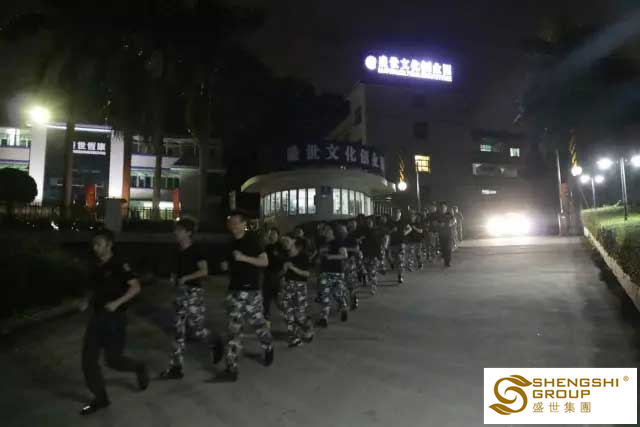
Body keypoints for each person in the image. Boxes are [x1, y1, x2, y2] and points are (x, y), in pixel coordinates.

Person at [78, 229, 149, 416]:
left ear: (109, 245)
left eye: (99, 244)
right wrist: (86, 300)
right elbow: (93, 288)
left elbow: (136, 287)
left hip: (115, 319)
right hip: (97, 317)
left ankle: (138, 367)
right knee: (88, 359)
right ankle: (100, 398)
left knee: (113, 360)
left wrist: (117, 303)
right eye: (94, 244)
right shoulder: (95, 265)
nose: (95, 248)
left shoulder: (120, 264)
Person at [159, 218, 223, 380]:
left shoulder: (197, 250)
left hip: (194, 292)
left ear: (188, 233)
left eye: (179, 230)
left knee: (196, 328)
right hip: (180, 293)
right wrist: (173, 278)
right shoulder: (176, 251)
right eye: (176, 230)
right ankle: (176, 368)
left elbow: (204, 271)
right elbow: (175, 271)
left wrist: (187, 277)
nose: (176, 233)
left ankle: (215, 341)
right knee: (178, 331)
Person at [217, 212, 274, 382]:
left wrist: (243, 258)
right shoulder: (230, 243)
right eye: (230, 223)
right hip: (234, 291)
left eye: (236, 222)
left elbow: (264, 262)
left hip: (251, 292)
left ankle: (268, 346)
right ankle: (231, 368)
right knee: (234, 330)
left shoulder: (252, 241)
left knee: (258, 324)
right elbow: (228, 263)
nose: (233, 226)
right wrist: (225, 265)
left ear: (244, 224)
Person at [281, 237, 314, 347]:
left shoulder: (302, 256)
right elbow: (281, 273)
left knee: (299, 315)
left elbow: (307, 274)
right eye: (283, 241)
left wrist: (293, 268)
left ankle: (308, 328)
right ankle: (294, 337)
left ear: (294, 242)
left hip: (300, 287)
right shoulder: (284, 256)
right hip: (288, 286)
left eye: (287, 240)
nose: (285, 243)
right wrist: (283, 271)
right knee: (288, 314)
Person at [316, 225, 349, 327]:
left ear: (332, 231)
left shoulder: (338, 242)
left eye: (327, 230)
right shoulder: (322, 244)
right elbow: (320, 258)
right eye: (324, 230)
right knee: (324, 295)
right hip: (325, 273)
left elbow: (344, 255)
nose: (325, 232)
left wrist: (332, 256)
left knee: (337, 293)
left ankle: (343, 308)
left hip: (337, 272)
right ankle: (324, 318)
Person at [263, 227, 286, 326]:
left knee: (279, 301)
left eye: (274, 234)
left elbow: (285, 262)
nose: (272, 235)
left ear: (278, 235)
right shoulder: (267, 247)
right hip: (268, 277)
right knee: (266, 300)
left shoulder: (282, 247)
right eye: (270, 234)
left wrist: (282, 275)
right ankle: (266, 322)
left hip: (278, 277)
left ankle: (289, 316)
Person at [389, 210, 411, 283]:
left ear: (400, 214)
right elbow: (387, 232)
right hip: (392, 243)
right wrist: (392, 231)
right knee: (395, 260)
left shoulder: (403, 222)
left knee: (400, 260)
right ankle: (397, 269)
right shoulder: (390, 223)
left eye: (398, 213)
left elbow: (410, 228)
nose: (396, 215)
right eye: (395, 213)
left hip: (401, 242)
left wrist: (406, 232)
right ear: (392, 214)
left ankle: (400, 276)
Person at [360, 217, 381, 294]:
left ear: (373, 223)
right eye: (367, 222)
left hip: (373, 255)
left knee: (373, 271)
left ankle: (373, 287)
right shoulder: (362, 232)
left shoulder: (376, 232)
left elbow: (378, 245)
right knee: (366, 270)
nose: (368, 223)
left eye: (370, 222)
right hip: (365, 255)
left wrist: (379, 255)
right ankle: (367, 279)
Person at [432, 202, 455, 267]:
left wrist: (451, 223)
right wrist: (439, 224)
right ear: (440, 208)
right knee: (443, 248)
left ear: (446, 207)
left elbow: (454, 220)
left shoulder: (449, 214)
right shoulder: (438, 215)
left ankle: (448, 262)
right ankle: (444, 258)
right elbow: (434, 223)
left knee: (448, 248)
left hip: (448, 234)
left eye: (444, 207)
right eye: (442, 207)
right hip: (441, 234)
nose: (443, 208)